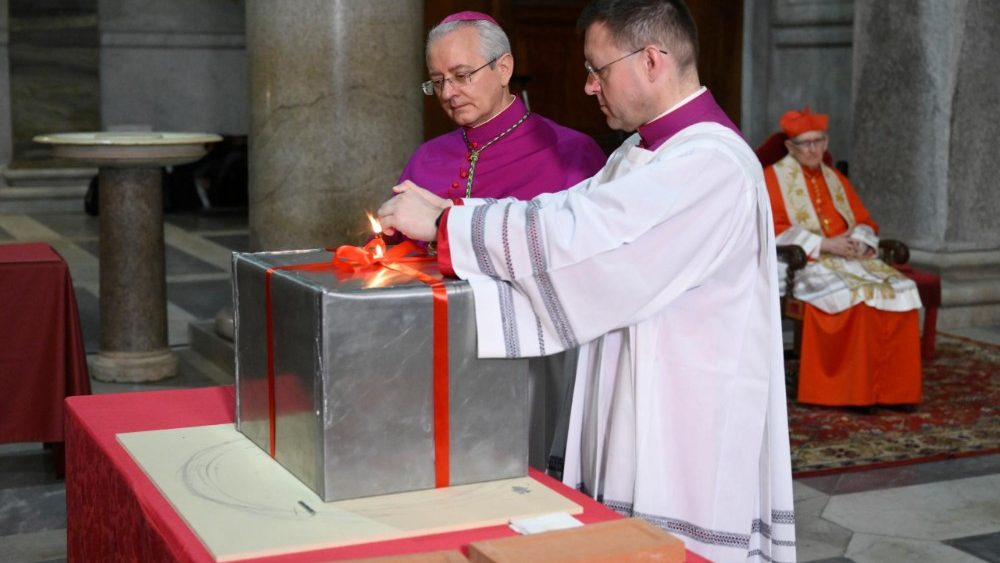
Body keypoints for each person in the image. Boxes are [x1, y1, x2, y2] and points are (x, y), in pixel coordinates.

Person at [378, 1, 796, 561]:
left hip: (684, 414)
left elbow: (583, 240)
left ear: (651, 60)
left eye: (598, 68)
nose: (589, 85)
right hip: (637, 388)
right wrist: (449, 212)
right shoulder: (642, 152)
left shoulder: (710, 163)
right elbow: (563, 211)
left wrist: (447, 223)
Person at [401, 11, 608, 471]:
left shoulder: (571, 154)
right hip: (432, 350)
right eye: (437, 82)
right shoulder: (427, 156)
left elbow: (584, 267)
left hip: (533, 355)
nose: (449, 93)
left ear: (503, 68)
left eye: (460, 75)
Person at [764, 107, 923, 407]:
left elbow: (863, 220)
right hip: (804, 261)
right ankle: (847, 392)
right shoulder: (772, 178)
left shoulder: (835, 178)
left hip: (851, 258)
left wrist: (862, 243)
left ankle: (893, 392)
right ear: (789, 147)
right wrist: (824, 245)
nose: (814, 149)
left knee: (902, 289)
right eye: (805, 143)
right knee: (856, 297)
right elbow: (771, 228)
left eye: (819, 142)